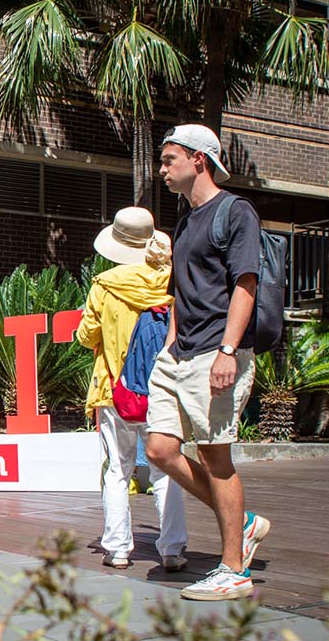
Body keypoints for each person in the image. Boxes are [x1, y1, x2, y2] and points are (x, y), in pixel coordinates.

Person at [146, 124, 271, 601]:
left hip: (217, 353)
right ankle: (245, 522)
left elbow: (246, 284)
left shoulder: (235, 212)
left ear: (199, 159)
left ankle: (233, 570)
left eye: (169, 159)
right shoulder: (187, 220)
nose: (163, 169)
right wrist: (170, 345)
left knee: (216, 457)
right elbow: (181, 291)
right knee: (160, 450)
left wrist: (226, 350)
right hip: (180, 354)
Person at [76, 206, 188, 572]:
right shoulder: (171, 280)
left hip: (113, 390)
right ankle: (172, 548)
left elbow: (85, 336)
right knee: (166, 469)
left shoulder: (104, 286)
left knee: (117, 470)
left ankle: (118, 548)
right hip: (161, 390)